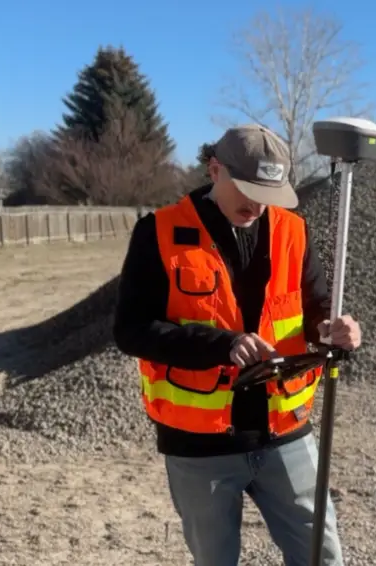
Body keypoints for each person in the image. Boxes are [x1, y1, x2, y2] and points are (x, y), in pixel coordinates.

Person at [113, 123, 359, 566]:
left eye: (269, 194)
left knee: (322, 557)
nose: (257, 205)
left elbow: (317, 307)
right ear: (214, 170)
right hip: (199, 447)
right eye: (247, 190)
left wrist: (332, 329)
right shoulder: (159, 232)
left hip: (285, 432)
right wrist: (219, 345)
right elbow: (131, 330)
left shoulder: (293, 231)